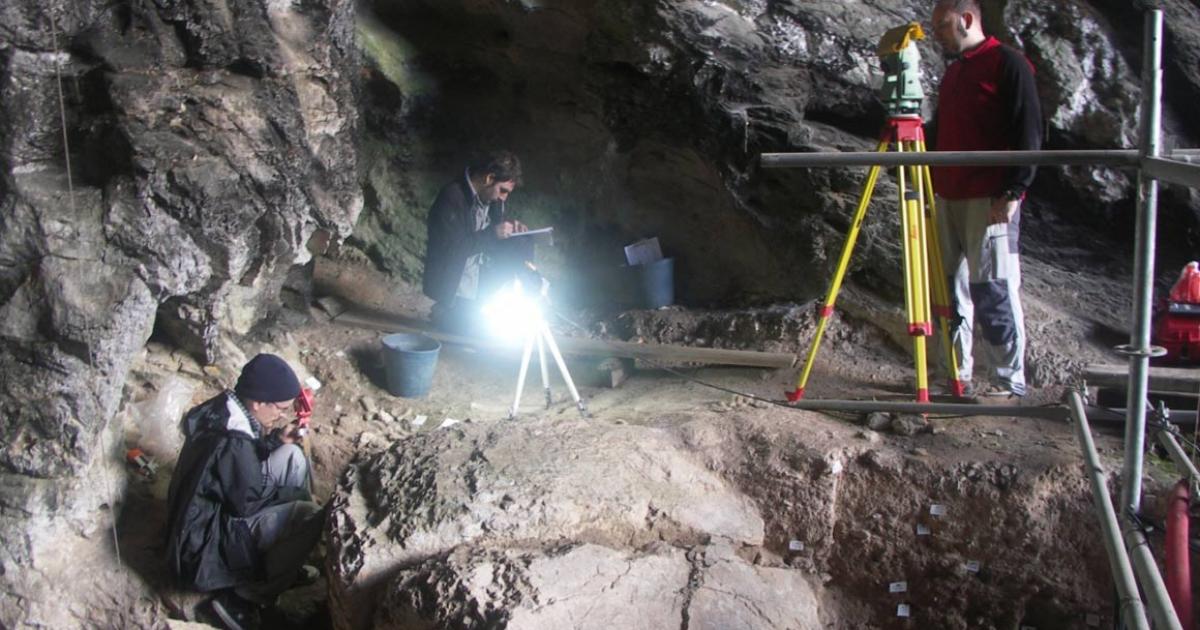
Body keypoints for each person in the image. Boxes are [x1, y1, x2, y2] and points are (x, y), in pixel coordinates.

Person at [929, 0, 1043, 399]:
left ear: (966, 19)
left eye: (942, 26)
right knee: (947, 289)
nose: (937, 34)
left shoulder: (1008, 64)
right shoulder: (955, 71)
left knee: (992, 287)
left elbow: (1029, 129)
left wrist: (1014, 190)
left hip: (988, 196)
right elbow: (941, 129)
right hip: (947, 195)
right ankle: (955, 374)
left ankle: (1008, 382)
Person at [166, 353, 326, 630]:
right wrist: (290, 497)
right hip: (200, 548)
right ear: (259, 402)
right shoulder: (232, 441)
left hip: (203, 519)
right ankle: (243, 598)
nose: (281, 414)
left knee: (291, 456)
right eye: (279, 407)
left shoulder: (227, 409)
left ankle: (283, 563)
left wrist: (276, 440)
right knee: (309, 515)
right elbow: (247, 504)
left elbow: (242, 468)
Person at [423, 150, 534, 334]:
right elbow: (453, 248)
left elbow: (495, 232)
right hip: (456, 283)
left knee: (523, 240)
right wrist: (493, 234)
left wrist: (512, 229)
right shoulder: (452, 197)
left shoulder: (492, 199)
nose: (503, 197)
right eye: (503, 190)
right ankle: (446, 311)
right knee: (484, 333)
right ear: (489, 178)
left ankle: (523, 301)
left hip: (480, 276)